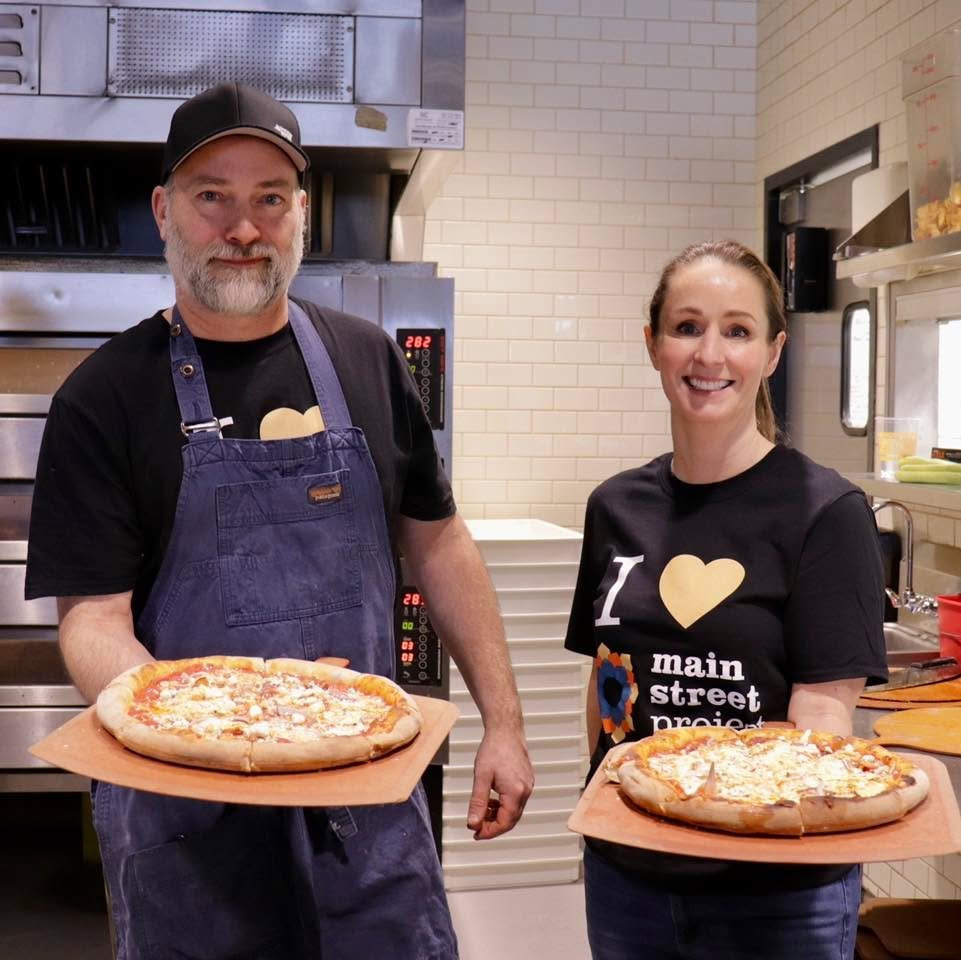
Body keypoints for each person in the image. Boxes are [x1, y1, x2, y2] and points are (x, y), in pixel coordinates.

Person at [25, 82, 533, 960]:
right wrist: (226, 724)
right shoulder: (104, 396)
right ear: (164, 212)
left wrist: (505, 723)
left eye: (269, 198)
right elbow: (93, 624)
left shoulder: (364, 357)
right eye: (211, 196)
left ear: (300, 213)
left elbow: (438, 542)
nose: (242, 227)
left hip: (366, 805)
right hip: (190, 824)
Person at [564, 239, 887, 960]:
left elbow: (823, 721)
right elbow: (607, 682)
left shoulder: (824, 511)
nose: (709, 355)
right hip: (628, 868)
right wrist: (596, 820)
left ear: (771, 352)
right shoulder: (615, 505)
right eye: (686, 327)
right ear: (652, 344)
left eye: (737, 331)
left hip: (773, 887)